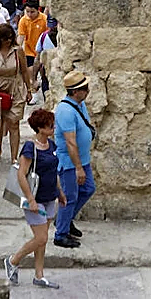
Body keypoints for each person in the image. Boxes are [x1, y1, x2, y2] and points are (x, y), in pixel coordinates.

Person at [4, 108, 65, 290]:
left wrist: (60, 192)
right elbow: (22, 175)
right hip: (35, 200)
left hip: (49, 197)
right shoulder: (30, 148)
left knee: (42, 240)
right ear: (39, 128)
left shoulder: (52, 146)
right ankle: (13, 260)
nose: (53, 128)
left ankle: (39, 275)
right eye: (49, 125)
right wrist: (30, 199)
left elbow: (53, 172)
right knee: (41, 238)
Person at [53, 71, 95, 249]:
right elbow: (70, 142)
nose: (88, 91)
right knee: (69, 197)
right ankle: (60, 234)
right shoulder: (64, 111)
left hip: (83, 159)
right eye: (84, 88)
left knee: (87, 189)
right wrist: (78, 168)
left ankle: (65, 219)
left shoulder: (79, 104)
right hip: (70, 163)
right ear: (75, 91)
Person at [0, 23, 30, 165]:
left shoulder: (18, 51)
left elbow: (24, 70)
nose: (7, 41)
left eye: (9, 38)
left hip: (16, 87)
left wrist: (28, 88)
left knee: (14, 123)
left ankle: (14, 156)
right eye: (5, 38)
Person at [17, 0, 47, 73]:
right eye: (27, 11)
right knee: (29, 71)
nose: (29, 14)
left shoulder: (44, 19)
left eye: (32, 12)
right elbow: (21, 37)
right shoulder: (23, 20)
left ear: (38, 10)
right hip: (29, 51)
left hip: (42, 51)